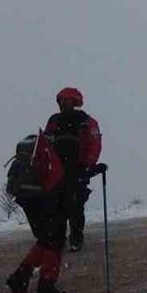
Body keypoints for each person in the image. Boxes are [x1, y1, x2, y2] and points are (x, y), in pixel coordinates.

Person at [5, 132, 71, 293]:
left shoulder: (43, 147)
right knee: (54, 241)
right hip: (43, 198)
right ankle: (45, 287)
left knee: (46, 239)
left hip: (29, 198)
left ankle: (20, 278)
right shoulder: (56, 150)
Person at [45, 87, 103, 252]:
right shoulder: (54, 120)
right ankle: (58, 238)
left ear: (75, 102)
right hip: (57, 170)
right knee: (56, 206)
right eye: (61, 101)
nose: (63, 104)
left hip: (78, 169)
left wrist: (88, 165)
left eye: (67, 100)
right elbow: (46, 143)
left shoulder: (87, 121)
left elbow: (95, 145)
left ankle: (76, 238)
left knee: (76, 205)